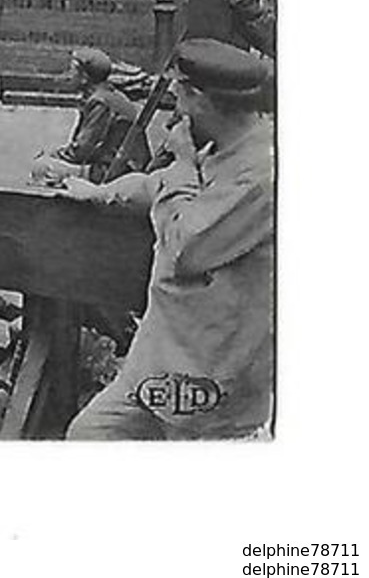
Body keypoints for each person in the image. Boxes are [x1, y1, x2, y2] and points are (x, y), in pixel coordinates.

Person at [62, 39, 274, 440]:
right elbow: (155, 184)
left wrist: (180, 164)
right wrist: (98, 193)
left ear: (202, 100)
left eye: (181, 96)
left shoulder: (262, 175)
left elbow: (186, 248)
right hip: (160, 362)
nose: (175, 109)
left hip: (211, 376)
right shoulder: (220, 145)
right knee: (90, 436)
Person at [30, 47, 147, 186]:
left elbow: (81, 150)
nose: (68, 75)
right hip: (125, 167)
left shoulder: (100, 102)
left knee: (42, 167)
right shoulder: (109, 95)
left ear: (85, 78)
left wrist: (52, 156)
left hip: (115, 172)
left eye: (72, 71)